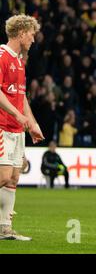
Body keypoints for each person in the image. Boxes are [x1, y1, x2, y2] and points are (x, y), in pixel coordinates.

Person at [0, 14, 44, 241]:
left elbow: (21, 96)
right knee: (3, 175)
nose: (33, 40)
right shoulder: (2, 56)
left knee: (14, 177)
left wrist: (32, 124)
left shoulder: (18, 61)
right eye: (31, 34)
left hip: (17, 130)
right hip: (2, 126)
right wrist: (16, 114)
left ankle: (4, 228)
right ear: (20, 32)